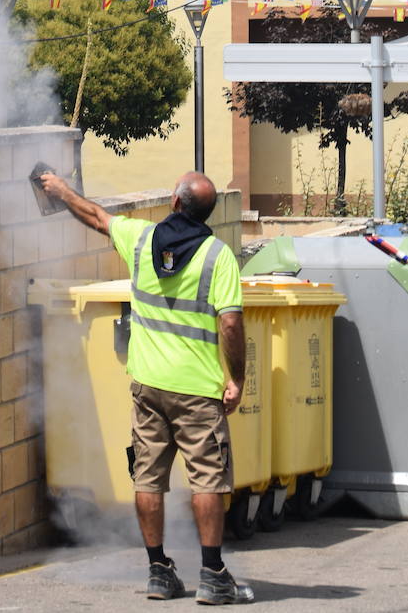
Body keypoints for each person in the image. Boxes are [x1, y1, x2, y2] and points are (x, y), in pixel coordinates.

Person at [39, 168, 253, 606]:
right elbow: (230, 324)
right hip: (197, 391)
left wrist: (61, 191)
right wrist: (237, 379)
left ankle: (159, 571)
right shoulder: (218, 256)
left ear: (175, 203)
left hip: (149, 386)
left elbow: (97, 217)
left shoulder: (140, 239)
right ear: (207, 212)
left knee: (148, 477)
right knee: (207, 480)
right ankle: (212, 574)